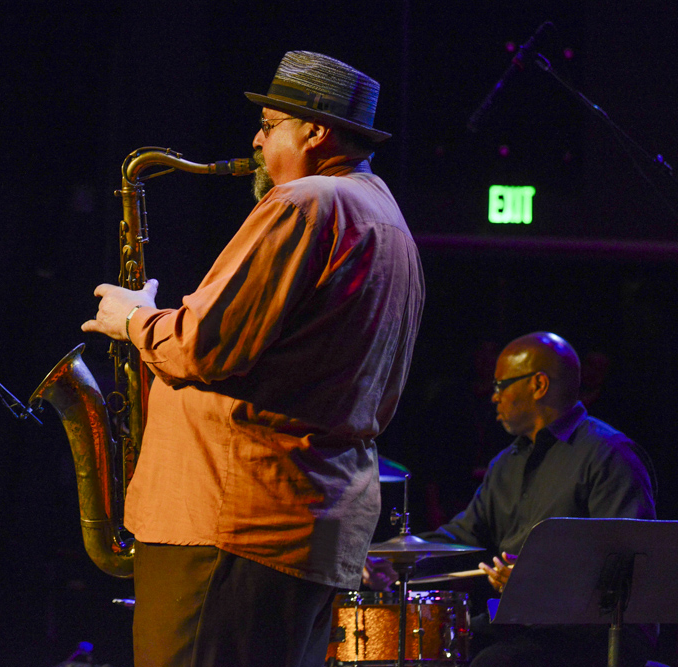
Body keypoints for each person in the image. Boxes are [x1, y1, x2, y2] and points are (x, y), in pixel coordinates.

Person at [82, 51, 424, 667]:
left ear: (314, 132)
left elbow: (202, 346)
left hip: (231, 522)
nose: (257, 141)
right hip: (308, 526)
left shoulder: (307, 202)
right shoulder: (390, 222)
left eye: (269, 125)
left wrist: (133, 319)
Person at [364, 331, 656, 667]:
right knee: (427, 647)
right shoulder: (506, 463)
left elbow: (625, 562)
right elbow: (463, 538)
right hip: (525, 623)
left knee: (494, 662)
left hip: (595, 632)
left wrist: (538, 580)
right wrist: (397, 561)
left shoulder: (610, 454)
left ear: (538, 385)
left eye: (501, 385)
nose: (493, 396)